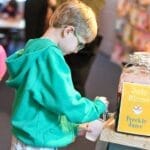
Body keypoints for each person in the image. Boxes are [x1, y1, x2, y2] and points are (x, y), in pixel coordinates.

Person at [6, 1, 108, 149]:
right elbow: (68, 103)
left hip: (26, 136)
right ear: (68, 31)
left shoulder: (34, 47)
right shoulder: (51, 58)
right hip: (38, 142)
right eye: (79, 43)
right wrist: (97, 107)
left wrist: (73, 128)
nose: (76, 51)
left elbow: (46, 104)